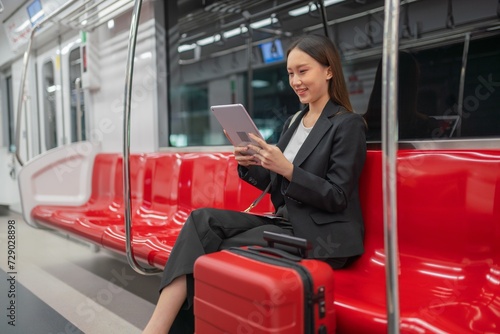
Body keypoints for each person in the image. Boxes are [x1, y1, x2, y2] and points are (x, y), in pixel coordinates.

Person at [143, 34, 367, 334]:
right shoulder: (294, 122)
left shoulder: (347, 124)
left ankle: (162, 330)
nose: (295, 81)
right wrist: (250, 162)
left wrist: (288, 169)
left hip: (323, 236)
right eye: (290, 73)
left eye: (303, 71)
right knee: (201, 222)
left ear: (328, 71)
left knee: (206, 247)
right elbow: (277, 185)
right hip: (287, 225)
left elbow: (337, 195)